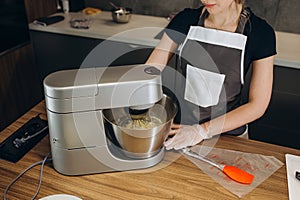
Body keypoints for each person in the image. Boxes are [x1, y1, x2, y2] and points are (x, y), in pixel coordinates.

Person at [146, 0, 276, 150]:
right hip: (180, 132)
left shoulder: (260, 33)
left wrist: (202, 130)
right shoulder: (186, 20)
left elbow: (258, 105)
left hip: (229, 136)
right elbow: (149, 72)